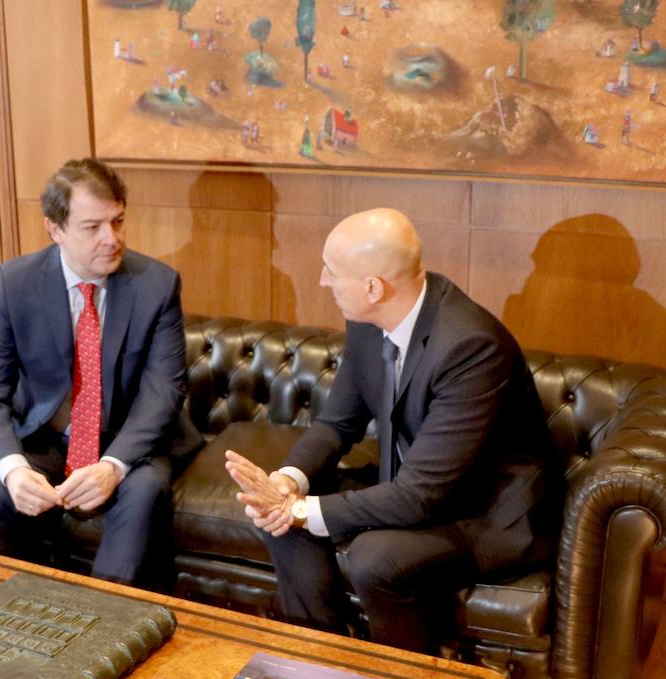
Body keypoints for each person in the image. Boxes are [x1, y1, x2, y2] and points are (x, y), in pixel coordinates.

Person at [225, 209, 560, 653]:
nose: (323, 280)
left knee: (375, 558)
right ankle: (324, 655)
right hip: (422, 486)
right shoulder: (369, 318)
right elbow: (336, 423)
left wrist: (300, 509)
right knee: (276, 515)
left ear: (373, 287)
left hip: (489, 512)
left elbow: (421, 495)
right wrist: (285, 483)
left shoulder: (470, 346)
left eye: (332, 271)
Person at [0, 158, 198, 587]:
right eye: (92, 227)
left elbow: (163, 391)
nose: (111, 239)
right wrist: (13, 469)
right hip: (48, 439)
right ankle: (38, 596)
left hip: (128, 441)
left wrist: (113, 465)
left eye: (118, 221)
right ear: (55, 229)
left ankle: (105, 616)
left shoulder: (157, 284)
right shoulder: (15, 282)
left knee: (144, 493)